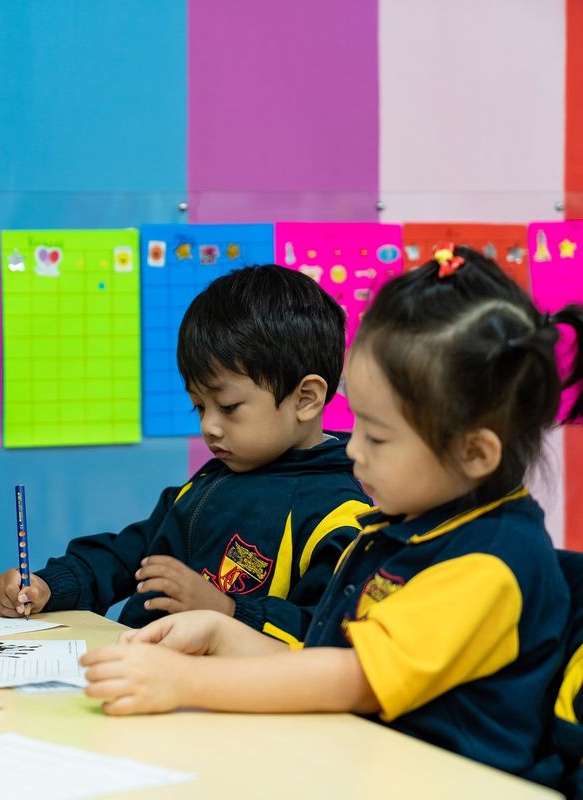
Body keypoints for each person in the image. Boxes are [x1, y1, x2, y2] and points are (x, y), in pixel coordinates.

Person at [82, 246, 583, 785]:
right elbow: (324, 655)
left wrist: (183, 682)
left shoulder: (487, 565)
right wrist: (220, 633)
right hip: (357, 764)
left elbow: (354, 679)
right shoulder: (408, 527)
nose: (353, 450)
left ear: (474, 453)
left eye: (378, 436)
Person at [0, 265, 370, 642]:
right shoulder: (210, 483)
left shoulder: (335, 515)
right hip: (146, 668)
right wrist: (48, 586)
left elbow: (330, 634)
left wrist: (227, 610)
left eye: (229, 406)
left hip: (227, 692)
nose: (209, 426)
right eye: (199, 407)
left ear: (305, 399)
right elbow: (130, 554)